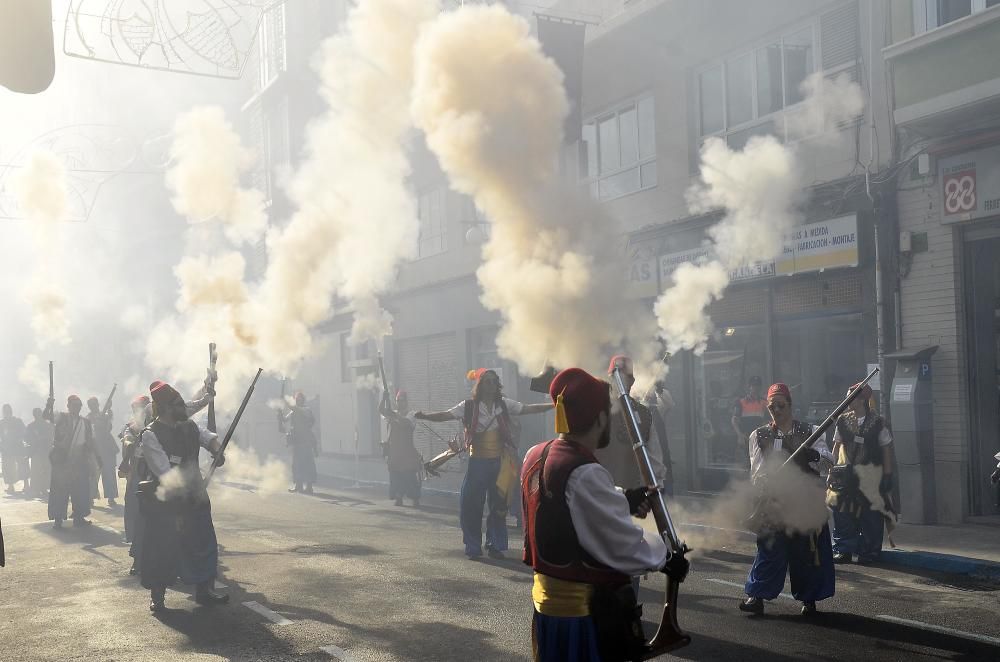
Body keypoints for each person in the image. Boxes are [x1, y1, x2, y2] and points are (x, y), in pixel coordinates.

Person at [522, 367, 689, 662]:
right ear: (600, 418)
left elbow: (569, 505)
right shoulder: (585, 471)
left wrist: (621, 498)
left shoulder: (535, 453)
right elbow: (621, 546)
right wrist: (666, 558)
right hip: (582, 614)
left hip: (547, 607)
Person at [415, 368, 552, 559]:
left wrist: (553, 405)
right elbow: (445, 415)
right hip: (477, 462)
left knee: (499, 506)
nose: (491, 384)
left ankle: (495, 545)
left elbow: (527, 409)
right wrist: (425, 415)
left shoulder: (504, 405)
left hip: (499, 462)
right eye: (487, 381)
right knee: (472, 505)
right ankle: (473, 546)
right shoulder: (469, 406)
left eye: (494, 381)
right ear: (480, 385)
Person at [740, 383, 835, 616]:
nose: (776, 410)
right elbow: (757, 471)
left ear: (790, 405)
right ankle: (757, 595)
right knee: (769, 550)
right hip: (774, 502)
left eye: (781, 405)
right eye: (772, 406)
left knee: (807, 553)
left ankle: (809, 600)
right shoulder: (759, 435)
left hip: (804, 502)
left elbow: (829, 462)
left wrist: (811, 456)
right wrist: (765, 481)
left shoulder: (810, 431)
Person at [138, 380, 228, 612]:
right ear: (167, 407)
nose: (184, 408)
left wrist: (217, 450)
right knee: (163, 548)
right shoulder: (150, 435)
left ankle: (204, 590)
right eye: (179, 404)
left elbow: (208, 437)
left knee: (203, 542)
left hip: (195, 495)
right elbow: (165, 473)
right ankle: (157, 596)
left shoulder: (188, 425)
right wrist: (180, 506)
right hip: (168, 499)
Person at [828, 383, 896, 564]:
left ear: (862, 400)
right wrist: (832, 469)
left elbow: (886, 449)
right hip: (846, 475)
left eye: (850, 397)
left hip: (871, 475)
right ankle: (843, 549)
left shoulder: (878, 422)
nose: (847, 401)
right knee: (842, 513)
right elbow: (837, 446)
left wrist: (887, 475)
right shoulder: (842, 421)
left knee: (871, 515)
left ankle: (869, 552)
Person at [596, 356, 668, 491]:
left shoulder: (643, 414)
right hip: (602, 492)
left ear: (632, 380)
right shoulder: (597, 411)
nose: (621, 381)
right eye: (617, 376)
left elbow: (654, 458)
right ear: (610, 379)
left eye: (626, 376)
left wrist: (655, 489)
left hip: (635, 494)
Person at [47, 395, 100, 528]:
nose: (76, 407)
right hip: (62, 460)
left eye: (78, 405)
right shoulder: (61, 417)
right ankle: (58, 519)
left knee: (81, 490)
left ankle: (79, 516)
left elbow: (90, 442)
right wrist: (49, 405)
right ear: (69, 406)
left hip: (80, 460)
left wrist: (94, 459)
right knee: (60, 491)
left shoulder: (86, 422)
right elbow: (47, 416)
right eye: (74, 405)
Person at [119, 394, 151, 575]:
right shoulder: (131, 428)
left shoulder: (159, 428)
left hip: (158, 478)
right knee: (136, 517)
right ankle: (138, 559)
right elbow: (128, 441)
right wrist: (133, 441)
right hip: (138, 479)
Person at [380, 389, 422, 506]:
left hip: (407, 452)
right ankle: (398, 497)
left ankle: (415, 498)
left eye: (402, 400)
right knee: (395, 476)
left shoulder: (411, 414)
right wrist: (384, 398)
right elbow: (381, 410)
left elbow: (405, 423)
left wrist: (394, 414)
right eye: (398, 400)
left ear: (406, 402)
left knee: (410, 475)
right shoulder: (393, 414)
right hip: (395, 452)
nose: (399, 403)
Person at [87, 396, 120, 507]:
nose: (94, 406)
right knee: (93, 474)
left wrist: (109, 411)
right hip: (96, 447)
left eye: (95, 404)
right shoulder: (88, 418)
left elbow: (108, 426)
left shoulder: (105, 415)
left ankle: (111, 497)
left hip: (107, 447)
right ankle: (91, 497)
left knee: (109, 473)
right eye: (91, 405)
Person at [284, 392, 318, 494]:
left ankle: (309, 487)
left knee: (307, 464)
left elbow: (296, 409)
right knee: (296, 465)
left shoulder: (305, 409)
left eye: (299, 398)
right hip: (297, 441)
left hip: (306, 441)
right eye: (296, 399)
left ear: (302, 400)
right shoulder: (294, 411)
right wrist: (279, 415)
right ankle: (298, 485)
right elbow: (285, 419)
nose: (297, 400)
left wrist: (286, 402)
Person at [644, 382, 675, 496]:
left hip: (661, 446)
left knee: (666, 475)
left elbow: (670, 404)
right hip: (646, 448)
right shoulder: (637, 393)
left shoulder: (661, 398)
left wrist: (659, 390)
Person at [731, 376, 766, 452]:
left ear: (760, 387)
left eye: (758, 385)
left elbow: (767, 421)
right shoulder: (740, 402)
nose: (755, 388)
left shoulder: (764, 403)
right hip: (745, 438)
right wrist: (739, 435)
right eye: (753, 385)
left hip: (759, 438)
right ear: (749, 387)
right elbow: (734, 420)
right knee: (746, 462)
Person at [24, 407, 53, 498]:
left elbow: (51, 436)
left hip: (45, 451)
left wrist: (43, 438)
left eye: (38, 413)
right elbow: (27, 438)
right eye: (36, 414)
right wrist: (34, 441)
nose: (37, 415)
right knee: (36, 471)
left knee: (45, 471)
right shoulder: (31, 426)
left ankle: (43, 488)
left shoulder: (47, 425)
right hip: (36, 451)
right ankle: (37, 489)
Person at [0, 404, 28, 495]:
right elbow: (24, 432)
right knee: (21, 465)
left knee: (9, 467)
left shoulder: (3, 422)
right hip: (15, 447)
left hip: (9, 448)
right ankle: (25, 485)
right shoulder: (16, 421)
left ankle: (12, 486)